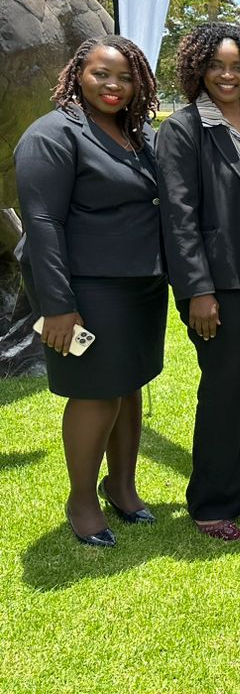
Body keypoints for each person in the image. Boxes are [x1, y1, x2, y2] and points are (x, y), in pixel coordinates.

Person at [14, 36, 166, 547]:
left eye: (125, 77)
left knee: (129, 386)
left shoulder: (135, 135)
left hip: (140, 288)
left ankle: (121, 487)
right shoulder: (52, 135)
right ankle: (81, 500)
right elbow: (41, 224)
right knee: (96, 395)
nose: (114, 86)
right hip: (87, 292)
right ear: (78, 73)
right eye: (102, 74)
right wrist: (59, 307)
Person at [156, 22, 240, 542]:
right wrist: (197, 291)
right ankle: (211, 501)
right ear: (197, 69)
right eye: (217, 66)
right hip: (220, 284)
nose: (228, 75)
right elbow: (178, 217)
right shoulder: (184, 128)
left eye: (238, 67)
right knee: (224, 391)